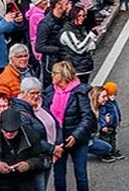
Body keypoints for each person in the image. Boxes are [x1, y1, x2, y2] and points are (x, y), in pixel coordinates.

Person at [0, 109, 51, 191]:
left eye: (13, 131)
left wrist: (29, 164)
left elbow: (41, 158)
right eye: (6, 131)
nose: (9, 134)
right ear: (0, 126)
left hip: (21, 184)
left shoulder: (31, 136)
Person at [46, 61, 96, 191]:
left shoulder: (80, 92)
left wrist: (76, 135)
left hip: (77, 140)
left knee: (80, 173)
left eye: (54, 73)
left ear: (62, 75)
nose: (51, 76)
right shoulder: (50, 91)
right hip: (58, 140)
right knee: (59, 174)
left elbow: (87, 117)